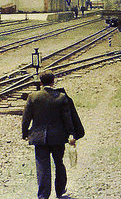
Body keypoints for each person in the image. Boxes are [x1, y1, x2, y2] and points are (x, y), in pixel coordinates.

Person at [22, 71, 76, 199]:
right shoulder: (61, 97)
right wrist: (71, 134)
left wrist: (25, 133)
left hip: (39, 138)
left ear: (41, 82)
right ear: (53, 82)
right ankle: (60, 191)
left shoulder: (33, 97)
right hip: (58, 137)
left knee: (42, 166)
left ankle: (43, 195)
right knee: (59, 163)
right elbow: (67, 119)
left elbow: (26, 118)